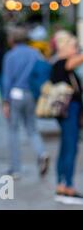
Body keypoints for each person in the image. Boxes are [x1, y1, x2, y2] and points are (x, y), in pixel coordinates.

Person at [2, 27, 49, 179]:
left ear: (12, 39)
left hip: (15, 95)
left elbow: (7, 80)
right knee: (32, 129)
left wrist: (5, 101)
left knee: (13, 131)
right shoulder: (34, 53)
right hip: (31, 94)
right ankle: (42, 152)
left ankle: (16, 169)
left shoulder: (10, 55)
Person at [51, 32, 83, 204]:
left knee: (66, 147)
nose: (76, 49)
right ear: (65, 47)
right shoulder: (63, 63)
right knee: (70, 148)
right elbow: (75, 61)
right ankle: (67, 187)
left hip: (68, 111)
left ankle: (61, 186)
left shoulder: (58, 63)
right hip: (69, 110)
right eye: (74, 46)